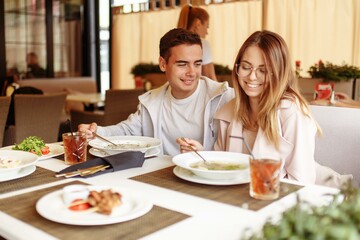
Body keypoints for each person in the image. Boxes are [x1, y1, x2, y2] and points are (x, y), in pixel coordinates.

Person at [178, 30, 336, 185]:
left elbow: (301, 184)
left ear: (278, 73)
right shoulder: (229, 112)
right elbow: (226, 170)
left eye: (263, 70)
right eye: (246, 67)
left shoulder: (291, 113)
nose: (252, 76)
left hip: (326, 197)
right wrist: (202, 155)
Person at [78, 28, 234, 156]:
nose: (192, 72)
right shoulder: (151, 101)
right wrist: (96, 131)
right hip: (160, 179)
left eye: (197, 64)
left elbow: (239, 153)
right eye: (182, 64)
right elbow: (127, 130)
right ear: (163, 64)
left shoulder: (223, 98)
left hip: (207, 183)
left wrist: (205, 154)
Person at [177, 5, 217, 81]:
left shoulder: (174, 44)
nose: (207, 32)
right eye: (207, 26)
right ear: (198, 23)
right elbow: (210, 77)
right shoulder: (202, 44)